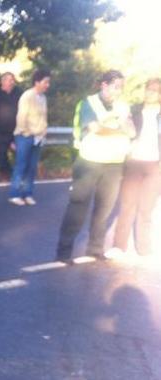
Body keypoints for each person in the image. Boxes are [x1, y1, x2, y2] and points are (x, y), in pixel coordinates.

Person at [56, 70, 135, 263]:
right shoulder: (88, 103)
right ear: (104, 85)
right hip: (89, 162)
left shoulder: (123, 106)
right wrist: (118, 129)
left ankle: (95, 248)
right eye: (115, 86)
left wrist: (115, 128)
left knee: (104, 209)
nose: (118, 91)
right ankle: (64, 251)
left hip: (114, 165)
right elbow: (94, 129)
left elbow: (132, 132)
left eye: (120, 88)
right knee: (78, 207)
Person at [106, 78, 161, 258]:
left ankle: (143, 247)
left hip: (155, 166)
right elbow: (123, 128)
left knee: (146, 208)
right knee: (127, 205)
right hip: (134, 163)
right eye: (148, 89)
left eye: (155, 90)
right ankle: (118, 246)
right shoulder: (135, 110)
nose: (150, 93)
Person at [8, 69, 51, 206]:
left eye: (48, 82)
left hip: (38, 137)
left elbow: (44, 117)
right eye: (46, 82)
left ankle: (27, 193)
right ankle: (15, 194)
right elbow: (21, 117)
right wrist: (27, 133)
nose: (47, 85)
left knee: (32, 167)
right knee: (21, 165)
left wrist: (43, 132)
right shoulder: (27, 96)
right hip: (25, 136)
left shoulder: (43, 98)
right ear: (37, 82)